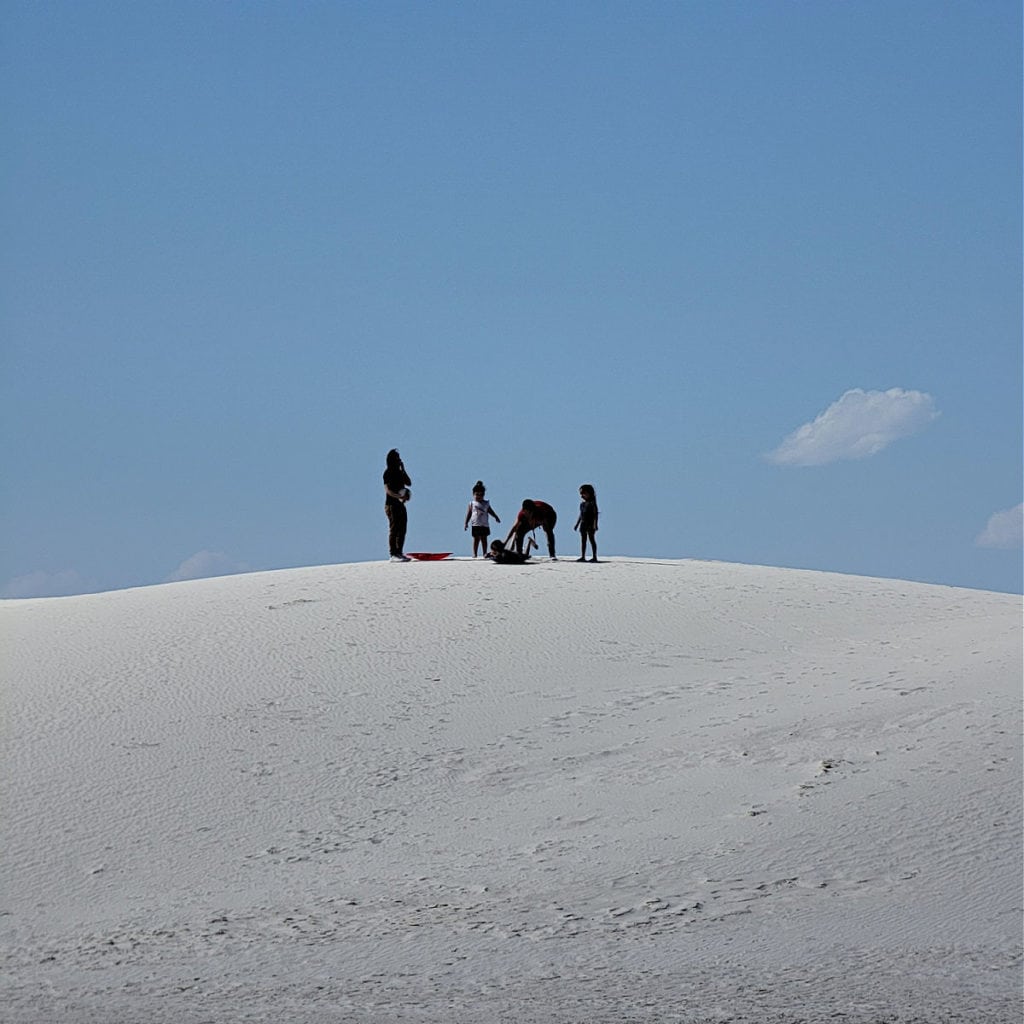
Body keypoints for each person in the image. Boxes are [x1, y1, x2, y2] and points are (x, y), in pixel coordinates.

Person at [383, 448, 411, 561]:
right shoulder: (388, 473)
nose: (399, 460)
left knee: (402, 528)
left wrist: (403, 469)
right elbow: (387, 489)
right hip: (391, 504)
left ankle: (399, 552)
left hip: (400, 504)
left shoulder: (399, 473)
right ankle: (393, 553)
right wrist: (399, 496)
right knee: (394, 528)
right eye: (397, 458)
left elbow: (408, 482)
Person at [463, 481, 501, 558]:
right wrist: (466, 523)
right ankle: (475, 553)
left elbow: (490, 511)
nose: (479, 496)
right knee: (476, 539)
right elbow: (469, 514)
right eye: (477, 494)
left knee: (484, 539)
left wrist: (496, 517)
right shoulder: (472, 503)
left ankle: (484, 553)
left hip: (484, 524)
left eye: (481, 495)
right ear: (473, 494)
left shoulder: (486, 503)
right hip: (475, 524)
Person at [574, 483, 599, 562]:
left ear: (589, 493)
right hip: (583, 524)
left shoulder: (592, 503)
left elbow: (595, 515)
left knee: (591, 539)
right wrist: (577, 524)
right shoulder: (582, 504)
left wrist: (595, 525)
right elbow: (581, 515)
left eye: (583, 494)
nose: (581, 496)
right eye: (581, 494)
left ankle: (594, 557)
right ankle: (583, 556)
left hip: (590, 524)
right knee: (583, 540)